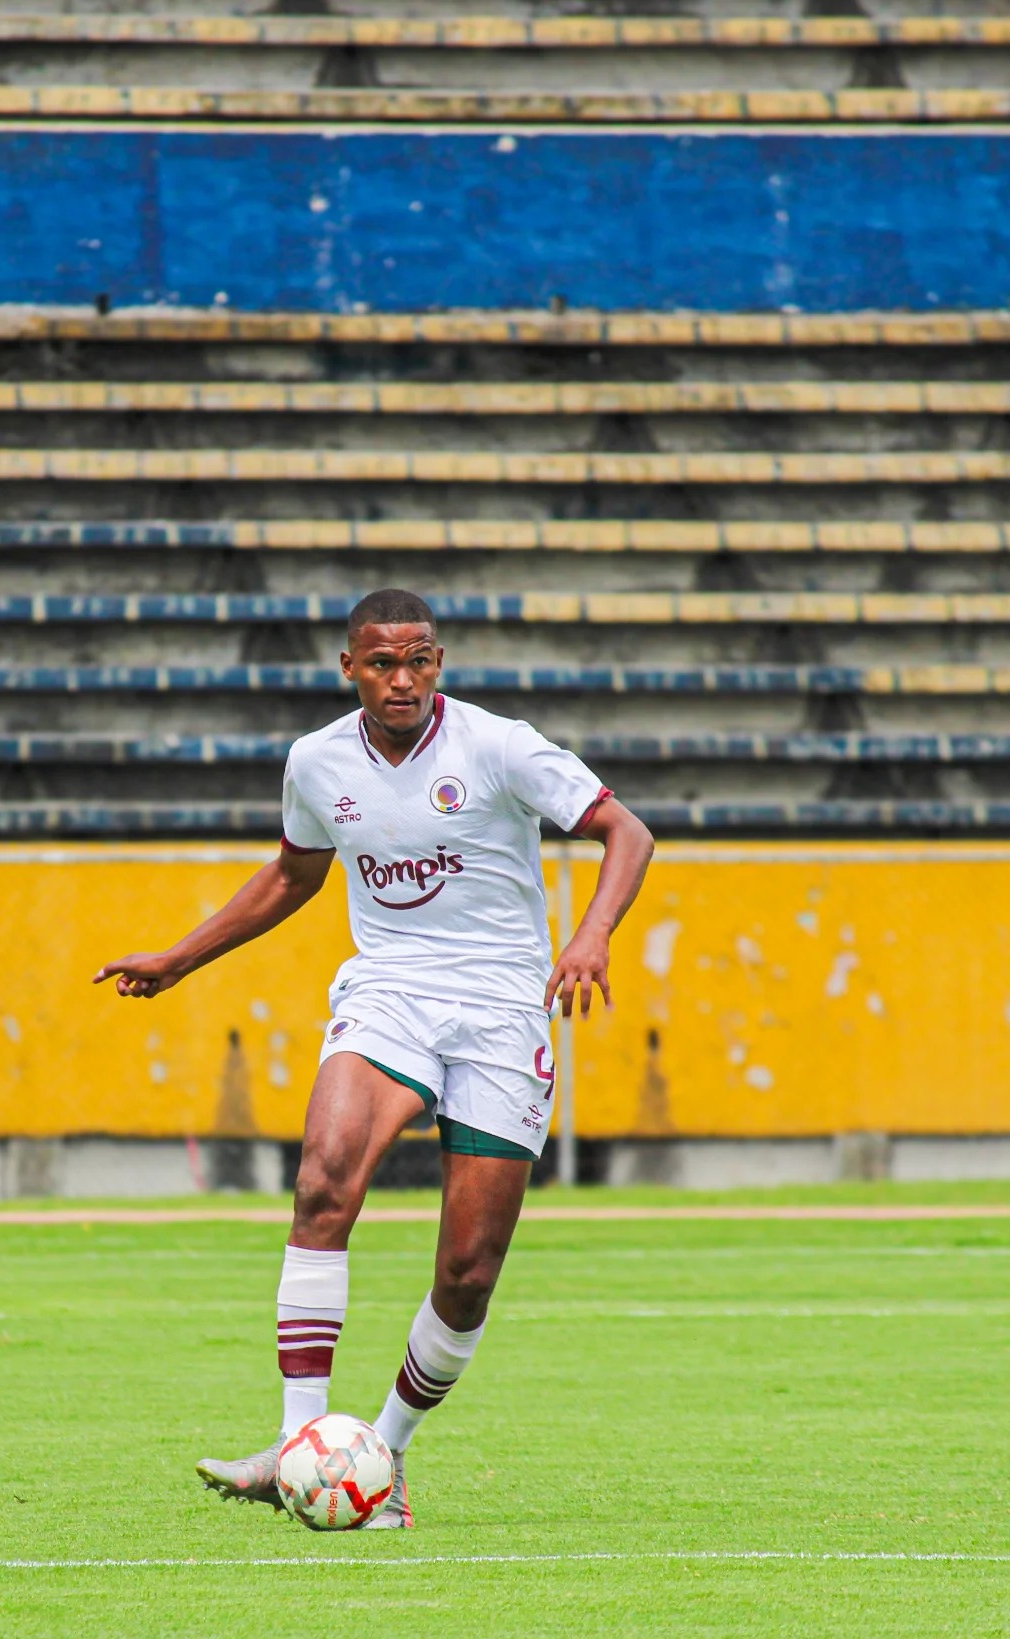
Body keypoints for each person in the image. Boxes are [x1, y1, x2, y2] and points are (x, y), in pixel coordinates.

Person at [96, 589, 653, 1527]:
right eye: (384, 662)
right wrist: (179, 959)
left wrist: (592, 936)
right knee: (324, 1181)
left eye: (421, 660)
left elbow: (625, 832)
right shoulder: (315, 762)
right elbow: (293, 875)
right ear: (349, 667)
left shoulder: (497, 745)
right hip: (388, 993)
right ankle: (296, 1443)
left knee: (468, 1271)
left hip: (503, 1007)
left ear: (439, 663)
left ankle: (379, 1459)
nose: (404, 679)